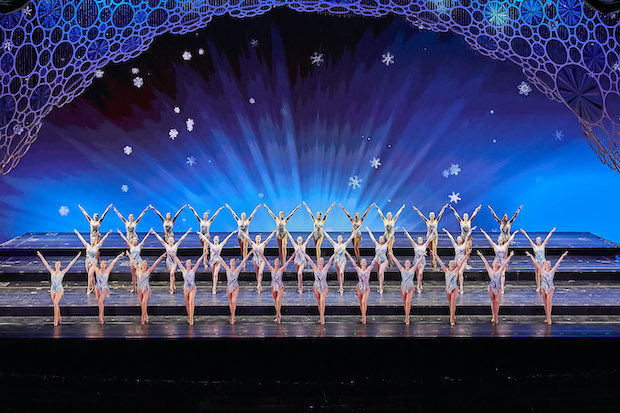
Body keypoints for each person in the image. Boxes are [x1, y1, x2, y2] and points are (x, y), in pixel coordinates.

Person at [36, 251, 81, 326]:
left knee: (55, 303)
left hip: (59, 289)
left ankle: (55, 318)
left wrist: (77, 256)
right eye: (56, 264)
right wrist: (40, 256)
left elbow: (70, 264)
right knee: (55, 304)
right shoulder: (52, 271)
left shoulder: (62, 272)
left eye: (58, 264)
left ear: (60, 266)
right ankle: (59, 317)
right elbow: (45, 263)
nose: (57, 265)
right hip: (52, 289)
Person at [526, 251, 569, 324]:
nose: (548, 265)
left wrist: (562, 256)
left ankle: (549, 318)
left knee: (549, 302)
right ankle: (547, 317)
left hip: (550, 288)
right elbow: (536, 263)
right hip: (543, 287)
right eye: (547, 264)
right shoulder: (542, 271)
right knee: (545, 303)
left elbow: (558, 263)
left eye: (549, 264)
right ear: (545, 265)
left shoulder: (552, 271)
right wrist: (531, 256)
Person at [256, 251, 297, 324]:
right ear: (274, 263)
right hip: (273, 287)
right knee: (276, 302)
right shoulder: (271, 269)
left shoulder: (281, 269)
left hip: (280, 286)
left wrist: (294, 254)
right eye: (275, 262)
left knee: (278, 300)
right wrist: (262, 255)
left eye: (278, 262)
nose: (277, 263)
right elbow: (265, 261)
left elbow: (289, 261)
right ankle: (278, 314)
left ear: (279, 263)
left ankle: (278, 316)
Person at [431, 250, 470, 326]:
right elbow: (441, 262)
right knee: (450, 304)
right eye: (450, 263)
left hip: (454, 289)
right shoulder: (446, 270)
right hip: (448, 289)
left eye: (453, 263)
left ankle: (451, 319)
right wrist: (435, 255)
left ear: (454, 265)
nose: (452, 264)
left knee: (453, 303)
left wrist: (467, 255)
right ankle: (453, 315)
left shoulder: (456, 270)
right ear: (449, 265)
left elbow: (461, 262)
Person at [477, 250, 514, 324]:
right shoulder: (490, 270)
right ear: (492, 264)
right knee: (493, 302)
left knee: (497, 301)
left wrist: (510, 256)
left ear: (498, 264)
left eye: (496, 263)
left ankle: (496, 317)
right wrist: (481, 255)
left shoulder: (500, 270)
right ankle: (493, 316)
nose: (495, 264)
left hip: (498, 288)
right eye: (494, 262)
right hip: (491, 288)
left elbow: (505, 263)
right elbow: (485, 262)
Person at [128, 253, 166, 325]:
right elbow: (133, 261)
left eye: (145, 264)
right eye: (143, 263)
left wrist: (161, 256)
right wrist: (128, 254)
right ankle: (146, 315)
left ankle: (142, 317)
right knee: (142, 303)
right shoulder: (138, 270)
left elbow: (155, 263)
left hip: (146, 288)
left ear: (146, 265)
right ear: (141, 265)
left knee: (144, 302)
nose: (144, 265)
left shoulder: (148, 271)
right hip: (139, 288)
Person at [152, 228, 192, 294]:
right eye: (169, 240)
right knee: (171, 275)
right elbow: (161, 240)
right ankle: (173, 285)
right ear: (168, 241)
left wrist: (187, 232)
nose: (170, 241)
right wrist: (155, 233)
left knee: (172, 273)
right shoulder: (166, 246)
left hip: (174, 262)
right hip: (168, 262)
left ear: (173, 241)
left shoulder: (175, 246)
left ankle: (171, 288)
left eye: (171, 240)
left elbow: (181, 239)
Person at [218, 252, 254, 325]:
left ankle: (232, 316)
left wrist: (249, 253)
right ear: (230, 263)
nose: (232, 262)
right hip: (229, 287)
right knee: (231, 302)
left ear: (235, 263)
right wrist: (216, 253)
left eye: (233, 261)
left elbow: (244, 260)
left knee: (233, 301)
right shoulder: (227, 268)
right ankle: (232, 314)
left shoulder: (237, 269)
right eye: (231, 261)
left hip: (235, 287)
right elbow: (221, 260)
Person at [389, 252, 424, 325]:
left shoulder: (412, 270)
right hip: (403, 287)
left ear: (410, 264)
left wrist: (422, 256)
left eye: (408, 263)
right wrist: (392, 255)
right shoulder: (402, 269)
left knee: (408, 302)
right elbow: (397, 262)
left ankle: (407, 317)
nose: (407, 264)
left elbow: (417, 263)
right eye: (406, 263)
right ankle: (406, 315)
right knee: (405, 303)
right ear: (405, 264)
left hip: (410, 287)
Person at [344, 251, 379, 324]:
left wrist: (378, 254)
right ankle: (363, 316)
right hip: (359, 287)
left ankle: (364, 317)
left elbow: (373, 261)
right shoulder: (358, 269)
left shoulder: (368, 269)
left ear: (366, 263)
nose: (363, 263)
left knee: (364, 301)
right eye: (362, 262)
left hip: (366, 288)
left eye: (364, 262)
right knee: (361, 303)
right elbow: (353, 261)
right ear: (360, 263)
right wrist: (347, 254)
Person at [173, 253, 207, 325]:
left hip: (192, 288)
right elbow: (178, 262)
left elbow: (198, 262)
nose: (188, 263)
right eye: (187, 262)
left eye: (189, 262)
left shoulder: (193, 270)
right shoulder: (183, 270)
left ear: (191, 264)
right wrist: (174, 255)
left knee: (191, 302)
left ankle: (191, 318)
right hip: (186, 288)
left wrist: (203, 255)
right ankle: (189, 317)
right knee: (187, 303)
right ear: (185, 264)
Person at [74, 229, 111, 294]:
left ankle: (88, 288)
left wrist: (107, 234)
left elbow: (102, 241)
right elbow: (82, 239)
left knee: (90, 275)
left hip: (93, 262)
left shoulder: (96, 247)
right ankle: (94, 287)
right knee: (91, 276)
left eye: (94, 240)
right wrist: (77, 233)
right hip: (87, 261)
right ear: (90, 241)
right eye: (92, 240)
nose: (93, 241)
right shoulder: (87, 245)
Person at [91, 252, 125, 325]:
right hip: (98, 287)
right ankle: (102, 315)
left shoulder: (107, 270)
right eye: (102, 263)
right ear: (100, 264)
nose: (103, 265)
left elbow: (113, 263)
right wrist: (89, 256)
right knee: (99, 302)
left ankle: (100, 316)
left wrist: (118, 256)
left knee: (100, 301)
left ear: (106, 265)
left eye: (104, 264)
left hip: (105, 288)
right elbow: (93, 264)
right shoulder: (97, 270)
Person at [302, 252, 335, 325]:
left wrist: (335, 254)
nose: (320, 262)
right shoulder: (314, 267)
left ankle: (322, 317)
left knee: (322, 300)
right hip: (316, 286)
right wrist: (304, 253)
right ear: (317, 262)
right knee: (319, 302)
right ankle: (321, 317)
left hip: (324, 286)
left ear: (323, 262)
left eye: (321, 261)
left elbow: (330, 260)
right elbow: (309, 259)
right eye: (319, 260)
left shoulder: (326, 268)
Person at [481, 228, 517, 293]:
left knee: (503, 274)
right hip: (497, 261)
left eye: (501, 240)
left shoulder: (505, 246)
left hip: (503, 261)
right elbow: (489, 240)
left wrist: (514, 234)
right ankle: (495, 286)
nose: (500, 240)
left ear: (502, 241)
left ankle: (502, 288)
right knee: (495, 275)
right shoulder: (495, 246)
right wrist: (484, 233)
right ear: (498, 240)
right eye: (499, 239)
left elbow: (510, 240)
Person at [225, 203, 261, 268]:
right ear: (241, 216)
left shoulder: (248, 221)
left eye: (244, 215)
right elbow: (233, 214)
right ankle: (243, 259)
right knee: (242, 249)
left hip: (246, 236)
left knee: (245, 249)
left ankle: (244, 262)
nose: (243, 216)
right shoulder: (238, 220)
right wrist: (229, 207)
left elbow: (252, 215)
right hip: (239, 236)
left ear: (245, 216)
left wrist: (256, 208)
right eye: (242, 215)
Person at [521, 228, 556, 292]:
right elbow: (529, 239)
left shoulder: (543, 245)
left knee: (543, 274)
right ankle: (538, 286)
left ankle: (543, 286)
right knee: (537, 274)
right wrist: (524, 233)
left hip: (543, 262)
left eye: (539, 240)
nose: (539, 241)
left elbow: (547, 238)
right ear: (536, 241)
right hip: (536, 262)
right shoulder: (534, 246)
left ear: (541, 241)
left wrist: (551, 231)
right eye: (537, 240)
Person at [443, 228, 474, 294]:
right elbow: (451, 238)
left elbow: (467, 236)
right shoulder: (455, 245)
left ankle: (461, 288)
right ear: (457, 240)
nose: (459, 239)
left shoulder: (464, 244)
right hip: (456, 261)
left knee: (460, 273)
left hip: (462, 261)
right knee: (455, 274)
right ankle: (453, 287)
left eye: (460, 238)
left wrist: (470, 231)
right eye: (458, 239)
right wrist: (447, 232)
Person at [366, 227, 393, 294]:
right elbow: (372, 237)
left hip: (383, 260)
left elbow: (390, 238)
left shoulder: (385, 244)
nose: (381, 239)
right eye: (380, 238)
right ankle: (380, 285)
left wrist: (394, 231)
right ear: (378, 240)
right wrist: (369, 230)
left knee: (381, 273)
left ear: (384, 240)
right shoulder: (376, 244)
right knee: (378, 274)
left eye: (382, 239)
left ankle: (381, 287)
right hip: (377, 260)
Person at [403, 229, 430, 294]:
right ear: (417, 241)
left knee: (420, 273)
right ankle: (419, 283)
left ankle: (418, 287)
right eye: (419, 239)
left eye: (421, 239)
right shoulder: (415, 245)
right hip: (416, 261)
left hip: (422, 261)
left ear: (422, 241)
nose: (420, 240)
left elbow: (429, 239)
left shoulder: (425, 245)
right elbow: (410, 239)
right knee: (418, 274)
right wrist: (406, 233)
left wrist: (433, 231)